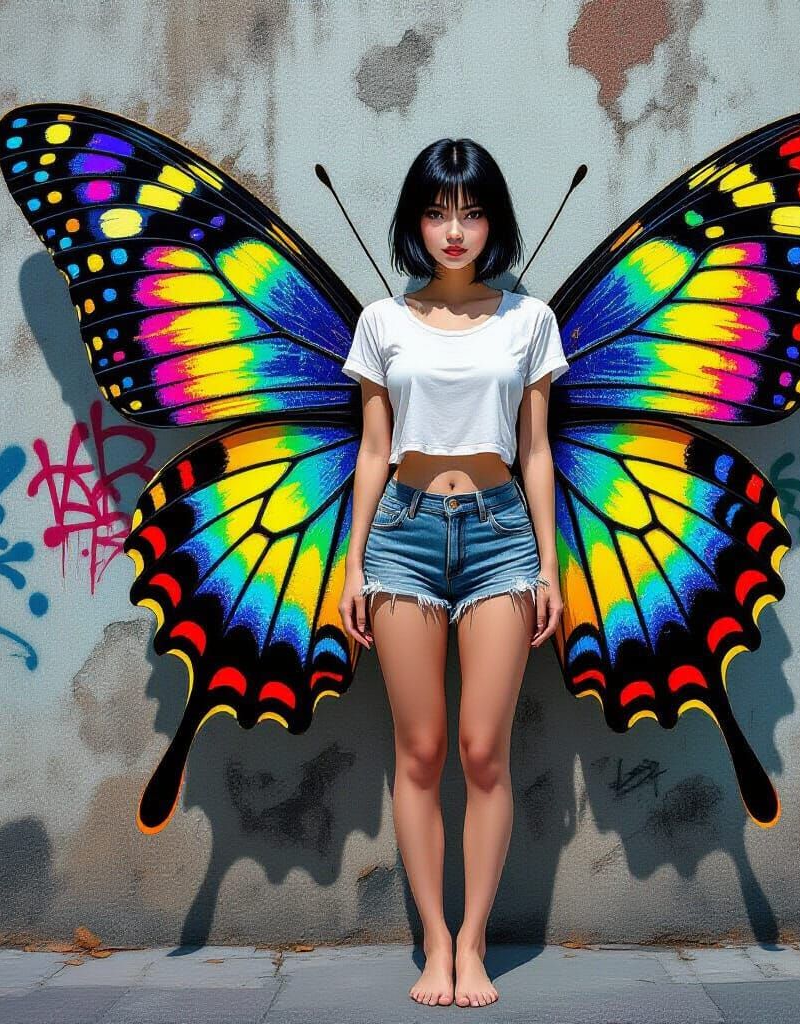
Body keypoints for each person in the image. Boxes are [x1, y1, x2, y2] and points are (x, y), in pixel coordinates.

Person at [338, 137, 569, 1008]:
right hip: (401, 532)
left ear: (493, 221)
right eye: (437, 212)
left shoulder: (529, 319)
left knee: (482, 751)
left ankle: (475, 942)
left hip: (502, 534)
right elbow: (370, 450)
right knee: (422, 750)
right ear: (415, 222)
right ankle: (433, 940)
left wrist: (548, 565)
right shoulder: (382, 322)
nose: (454, 229)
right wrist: (354, 565)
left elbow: (539, 451)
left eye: (470, 212)